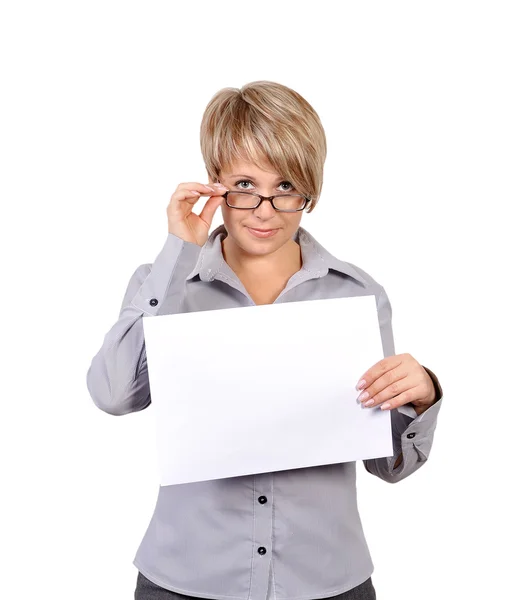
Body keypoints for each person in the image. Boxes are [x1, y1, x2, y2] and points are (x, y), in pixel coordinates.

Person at [86, 80, 443, 600]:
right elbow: (115, 394)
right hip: (187, 579)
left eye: (286, 187)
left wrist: (420, 396)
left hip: (327, 580)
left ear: (310, 190)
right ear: (214, 184)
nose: (265, 209)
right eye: (245, 184)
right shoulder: (160, 283)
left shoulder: (358, 294)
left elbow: (388, 464)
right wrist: (176, 253)